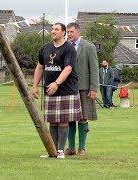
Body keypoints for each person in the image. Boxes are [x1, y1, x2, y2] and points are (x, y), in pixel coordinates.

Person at [32, 22, 81, 159]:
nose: (53, 31)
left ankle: (60, 150)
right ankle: (53, 151)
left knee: (63, 121)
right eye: (52, 29)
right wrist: (35, 86)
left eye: (56, 29)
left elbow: (68, 68)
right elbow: (40, 67)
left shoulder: (69, 49)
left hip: (66, 90)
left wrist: (57, 83)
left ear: (63, 32)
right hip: (50, 90)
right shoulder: (45, 48)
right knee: (52, 121)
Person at [65, 22, 99, 156]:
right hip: (68, 88)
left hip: (84, 88)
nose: (69, 34)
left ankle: (82, 148)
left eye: (71, 32)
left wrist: (93, 88)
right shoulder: (65, 46)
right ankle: (71, 148)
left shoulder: (89, 47)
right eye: (67, 32)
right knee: (70, 118)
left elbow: (94, 69)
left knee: (83, 118)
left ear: (78, 32)